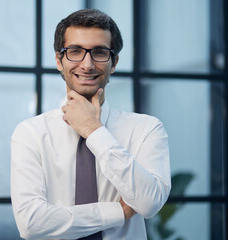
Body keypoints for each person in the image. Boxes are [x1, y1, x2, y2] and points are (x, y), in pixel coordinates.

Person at [11, 9, 171, 240]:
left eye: (99, 52)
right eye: (75, 51)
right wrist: (117, 212)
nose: (87, 65)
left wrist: (94, 131)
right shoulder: (31, 133)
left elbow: (149, 204)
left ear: (114, 62)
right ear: (59, 60)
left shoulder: (146, 129)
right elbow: (31, 223)